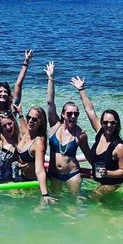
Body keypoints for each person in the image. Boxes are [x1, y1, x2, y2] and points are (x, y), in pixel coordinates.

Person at [71, 76, 123, 197]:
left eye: (112, 123)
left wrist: (107, 173)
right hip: (99, 180)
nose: (109, 125)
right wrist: (81, 89)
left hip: (112, 183)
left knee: (90, 198)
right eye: (105, 122)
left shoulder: (119, 147)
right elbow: (90, 110)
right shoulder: (100, 132)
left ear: (117, 124)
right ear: (102, 123)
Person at [45, 61, 89, 193]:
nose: (73, 116)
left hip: (73, 174)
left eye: (76, 114)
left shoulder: (80, 134)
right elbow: (50, 102)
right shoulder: (54, 126)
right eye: (69, 113)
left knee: (74, 206)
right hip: (53, 174)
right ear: (63, 114)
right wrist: (51, 78)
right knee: (55, 204)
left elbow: (89, 155)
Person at [0, 50, 33, 134]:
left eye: (5, 92)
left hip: (10, 145)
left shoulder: (12, 107)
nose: (3, 94)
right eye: (0, 92)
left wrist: (26, 62)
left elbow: (18, 84)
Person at [17, 106, 57, 204]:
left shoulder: (39, 142)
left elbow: (40, 170)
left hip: (34, 184)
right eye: (28, 117)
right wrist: (20, 114)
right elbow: (23, 127)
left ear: (40, 122)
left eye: (34, 119)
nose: (30, 121)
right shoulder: (27, 132)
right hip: (22, 179)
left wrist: (45, 195)